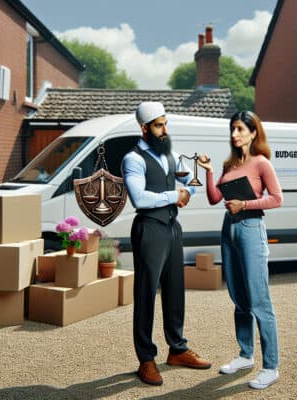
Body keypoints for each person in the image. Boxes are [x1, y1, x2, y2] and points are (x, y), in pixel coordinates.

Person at [122, 101, 212, 386]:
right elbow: (140, 199)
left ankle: (178, 349)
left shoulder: (170, 154)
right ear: (144, 128)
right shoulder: (133, 159)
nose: (164, 130)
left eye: (165, 124)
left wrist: (194, 184)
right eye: (159, 125)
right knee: (147, 294)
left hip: (173, 227)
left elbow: (189, 182)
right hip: (149, 228)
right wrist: (176, 196)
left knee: (175, 290)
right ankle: (146, 359)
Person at [198, 111, 283, 390]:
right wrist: (209, 172)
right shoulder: (230, 165)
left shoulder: (262, 164)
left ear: (253, 132)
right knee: (239, 298)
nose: (234, 134)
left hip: (250, 228)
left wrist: (245, 205)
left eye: (239, 129)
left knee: (260, 301)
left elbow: (277, 199)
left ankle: (270, 367)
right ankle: (246, 355)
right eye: (232, 129)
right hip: (229, 228)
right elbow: (214, 198)